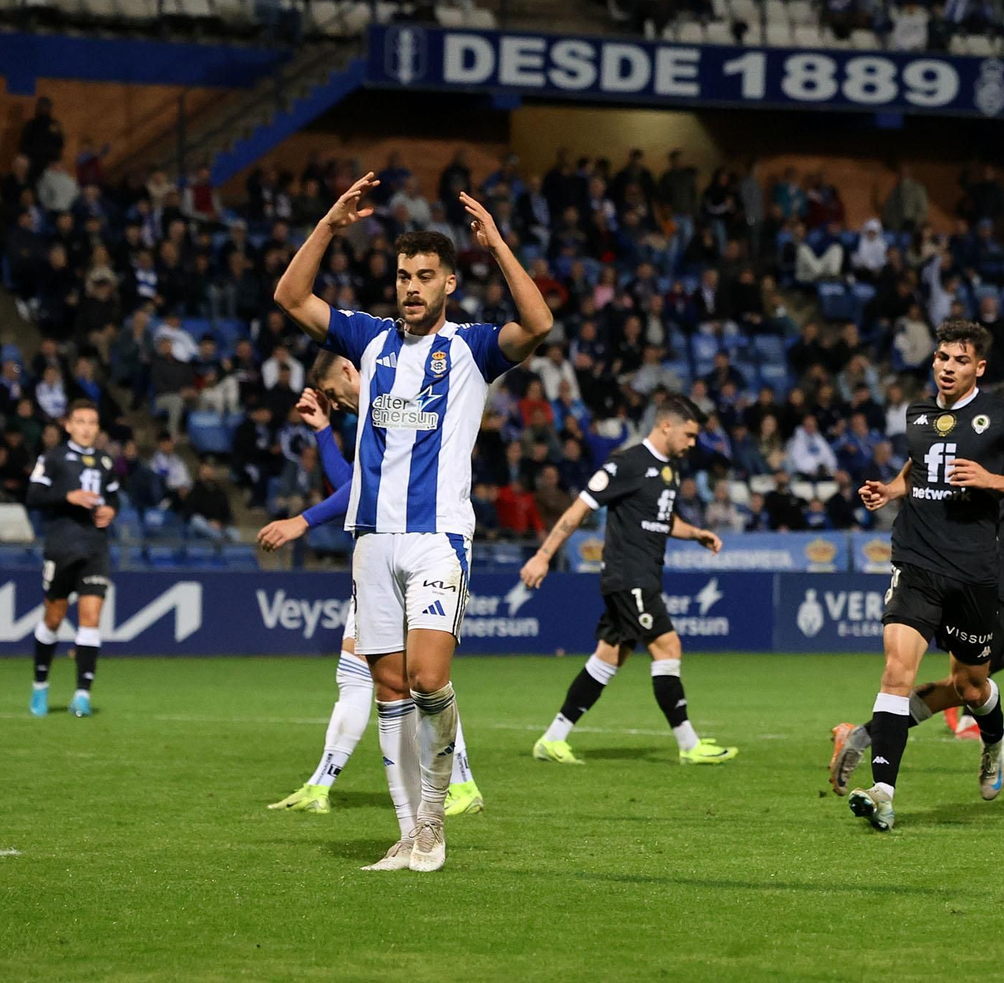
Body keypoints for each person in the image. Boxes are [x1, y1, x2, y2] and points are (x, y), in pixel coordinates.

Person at [273, 173, 552, 873]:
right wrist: (329, 225)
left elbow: (540, 324)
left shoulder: (471, 348)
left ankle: (434, 818)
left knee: (429, 678)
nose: (411, 287)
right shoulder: (366, 341)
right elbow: (290, 296)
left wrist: (500, 246)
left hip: (437, 540)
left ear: (450, 283)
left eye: (426, 276)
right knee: (389, 688)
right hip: (372, 543)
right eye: (403, 275)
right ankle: (408, 834)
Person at [831, 363, 1004, 822]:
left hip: (1003, 577)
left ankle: (869, 735)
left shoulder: (998, 433)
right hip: (992, 579)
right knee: (974, 685)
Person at [259, 377, 483, 817]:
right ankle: (322, 784)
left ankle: (460, 784)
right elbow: (356, 483)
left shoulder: (397, 406)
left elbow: (355, 489)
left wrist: (302, 521)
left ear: (351, 368)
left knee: (420, 681)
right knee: (364, 676)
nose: (336, 397)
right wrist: (324, 429)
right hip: (381, 558)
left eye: (334, 388)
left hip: (418, 552)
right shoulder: (372, 418)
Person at [521, 396, 735, 766]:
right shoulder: (627, 463)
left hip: (645, 574)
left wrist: (696, 532)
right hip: (628, 576)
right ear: (665, 425)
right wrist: (543, 555)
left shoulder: (670, 470)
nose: (692, 443)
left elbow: (663, 520)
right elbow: (579, 509)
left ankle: (552, 739)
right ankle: (689, 745)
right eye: (688, 434)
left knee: (608, 657)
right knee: (668, 648)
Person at [24, 400, 120, 718]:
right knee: (53, 619)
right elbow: (33, 497)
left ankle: (82, 695)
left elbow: (114, 495)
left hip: (95, 547)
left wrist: (111, 509)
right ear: (68, 425)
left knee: (90, 618)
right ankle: (40, 685)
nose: (86, 428)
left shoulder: (105, 461)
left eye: (92, 422)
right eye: (80, 421)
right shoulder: (52, 458)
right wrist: (67, 497)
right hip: (63, 546)